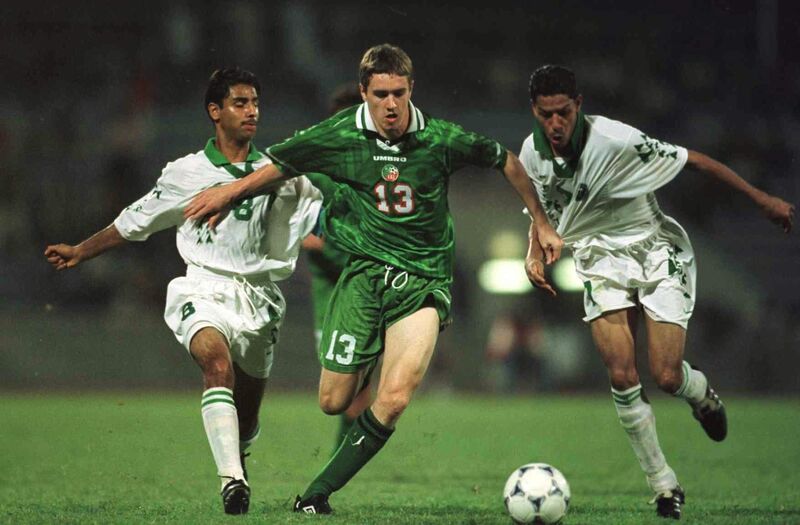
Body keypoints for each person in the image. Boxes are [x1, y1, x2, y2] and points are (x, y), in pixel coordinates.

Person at [184, 43, 563, 514]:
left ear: (411, 90)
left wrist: (540, 224)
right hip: (363, 279)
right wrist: (229, 193)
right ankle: (373, 346)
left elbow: (506, 159)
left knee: (395, 397)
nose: (390, 104)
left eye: (398, 93)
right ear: (364, 92)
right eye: (380, 93)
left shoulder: (440, 138)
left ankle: (316, 495)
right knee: (332, 400)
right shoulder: (341, 133)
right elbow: (280, 165)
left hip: (423, 280)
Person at [520, 65, 794, 520]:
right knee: (622, 375)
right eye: (546, 114)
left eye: (563, 113)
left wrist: (761, 199)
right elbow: (541, 212)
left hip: (652, 250)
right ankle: (664, 485)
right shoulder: (532, 153)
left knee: (665, 375)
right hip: (599, 260)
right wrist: (533, 252)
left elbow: (696, 161)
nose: (555, 124)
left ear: (579, 106)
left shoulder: (617, 140)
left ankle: (700, 393)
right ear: (535, 110)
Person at [44, 68, 322, 515]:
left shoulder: (278, 171)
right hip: (202, 285)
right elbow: (136, 220)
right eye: (239, 103)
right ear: (215, 111)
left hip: (260, 297)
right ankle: (232, 481)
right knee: (215, 364)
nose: (252, 111)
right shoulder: (186, 172)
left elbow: (320, 209)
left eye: (255, 102)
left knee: (247, 416)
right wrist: (82, 250)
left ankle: (239, 456)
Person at [300, 84, 373, 453]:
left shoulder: (380, 170)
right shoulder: (316, 175)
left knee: (365, 387)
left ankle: (342, 461)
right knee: (340, 393)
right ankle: (347, 454)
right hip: (332, 293)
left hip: (374, 286)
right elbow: (307, 237)